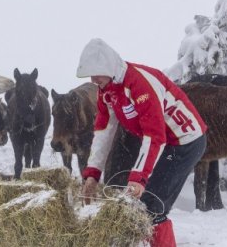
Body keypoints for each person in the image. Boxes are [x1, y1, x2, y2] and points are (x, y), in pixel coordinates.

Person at [77, 38, 207, 247]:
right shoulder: (108, 90)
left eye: (96, 73)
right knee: (143, 203)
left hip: (185, 142)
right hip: (165, 143)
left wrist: (138, 178)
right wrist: (92, 174)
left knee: (152, 204)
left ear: (108, 68)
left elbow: (154, 135)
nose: (92, 79)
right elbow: (103, 131)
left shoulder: (139, 83)